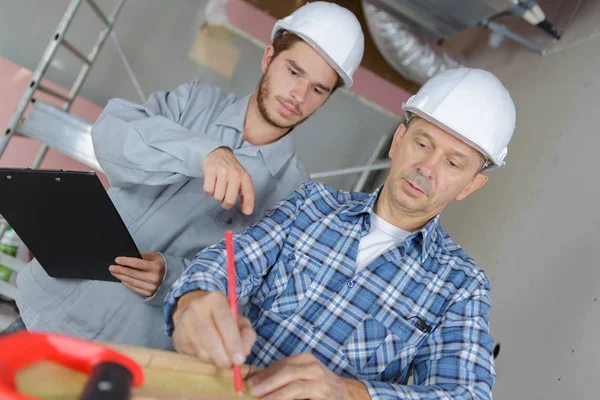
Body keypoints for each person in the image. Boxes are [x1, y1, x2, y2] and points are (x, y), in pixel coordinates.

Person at [9, 2, 365, 349]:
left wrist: (172, 278)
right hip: (49, 310)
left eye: (318, 89)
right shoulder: (196, 100)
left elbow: (249, 298)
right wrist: (203, 153)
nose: (299, 95)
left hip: (127, 351)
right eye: (294, 71)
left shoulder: (296, 195)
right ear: (269, 57)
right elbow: (111, 136)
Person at [164, 67, 516, 399]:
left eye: (453, 163)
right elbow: (231, 262)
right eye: (423, 144)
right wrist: (194, 300)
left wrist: (346, 392)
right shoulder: (312, 204)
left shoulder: (461, 286)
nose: (427, 168)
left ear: (470, 185)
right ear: (398, 142)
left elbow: (464, 394)